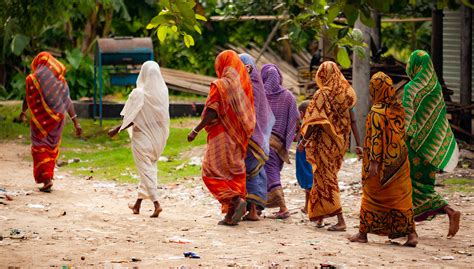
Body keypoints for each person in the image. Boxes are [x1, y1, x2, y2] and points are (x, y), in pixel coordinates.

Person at [349, 72, 418, 247]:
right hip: (400, 162)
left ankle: (363, 234)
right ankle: (411, 235)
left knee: (371, 196)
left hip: (380, 164)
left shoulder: (376, 112)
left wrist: (373, 162)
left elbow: (376, 138)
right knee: (401, 198)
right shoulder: (398, 109)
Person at [187, 50, 255, 226]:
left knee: (210, 172)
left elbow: (212, 110)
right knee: (234, 172)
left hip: (221, 136)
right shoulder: (243, 87)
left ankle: (233, 200)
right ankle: (230, 214)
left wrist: (195, 130)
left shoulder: (221, 85)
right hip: (238, 139)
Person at [403, 50, 461, 237]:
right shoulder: (435, 87)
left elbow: (408, 120)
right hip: (432, 147)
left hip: (414, 146)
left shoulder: (411, 88)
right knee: (424, 184)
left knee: (411, 184)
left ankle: (448, 211)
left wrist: (401, 140)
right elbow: (439, 118)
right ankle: (408, 225)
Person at [299, 61, 362, 231]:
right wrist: (358, 144)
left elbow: (314, 121)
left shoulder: (322, 94)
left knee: (327, 179)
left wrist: (304, 141)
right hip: (340, 143)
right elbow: (353, 121)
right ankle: (319, 216)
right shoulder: (346, 94)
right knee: (321, 178)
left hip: (324, 144)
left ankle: (341, 219)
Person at [108, 61, 169, 218]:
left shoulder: (139, 93)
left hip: (142, 137)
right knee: (149, 168)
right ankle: (137, 205)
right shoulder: (163, 92)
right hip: (159, 138)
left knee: (145, 170)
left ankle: (156, 204)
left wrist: (117, 129)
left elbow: (131, 116)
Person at [18, 52, 82, 192]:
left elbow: (27, 98)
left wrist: (23, 112)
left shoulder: (32, 80)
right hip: (57, 122)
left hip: (39, 122)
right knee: (51, 149)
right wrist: (76, 122)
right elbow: (67, 101)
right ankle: (48, 177)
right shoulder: (60, 81)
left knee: (39, 147)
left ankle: (46, 179)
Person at [239, 53, 275, 221]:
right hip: (260, 137)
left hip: (250, 136)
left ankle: (252, 211)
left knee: (250, 173)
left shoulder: (245, 87)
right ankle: (253, 208)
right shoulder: (258, 86)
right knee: (256, 172)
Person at [261, 63, 299, 219]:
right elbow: (296, 119)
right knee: (268, 173)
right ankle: (257, 206)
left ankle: (283, 207)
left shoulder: (260, 95)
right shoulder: (288, 96)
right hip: (279, 143)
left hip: (263, 141)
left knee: (269, 173)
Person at [295, 101, 313, 215]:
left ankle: (308, 207)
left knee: (308, 183)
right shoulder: (312, 123)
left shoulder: (307, 125)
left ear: (301, 113)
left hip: (304, 158)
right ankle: (307, 206)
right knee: (309, 183)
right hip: (308, 158)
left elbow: (297, 139)